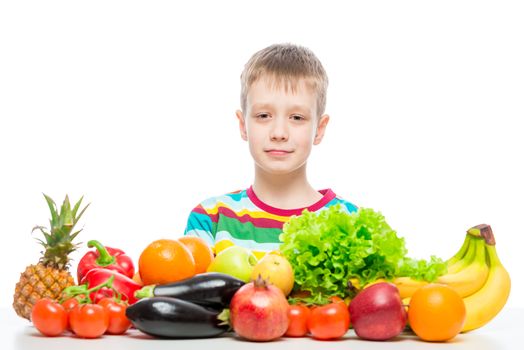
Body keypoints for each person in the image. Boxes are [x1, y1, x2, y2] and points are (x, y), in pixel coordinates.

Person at [184, 43, 357, 259]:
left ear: (319, 129)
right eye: (264, 116)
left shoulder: (350, 222)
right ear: (242, 125)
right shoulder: (211, 220)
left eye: (297, 118)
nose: (279, 133)